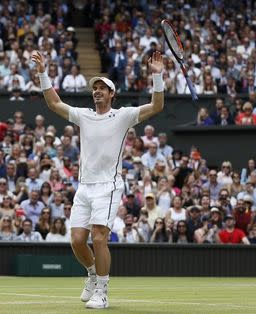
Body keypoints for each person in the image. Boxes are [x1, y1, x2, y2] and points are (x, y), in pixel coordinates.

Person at [32, 49, 165, 309]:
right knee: (77, 241)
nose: (97, 91)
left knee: (100, 237)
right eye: (95, 88)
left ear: (112, 94)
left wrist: (157, 77)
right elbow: (54, 104)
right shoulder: (84, 115)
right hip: (84, 186)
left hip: (109, 186)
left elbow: (157, 106)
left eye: (103, 88)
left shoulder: (124, 115)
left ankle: (102, 291)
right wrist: (42, 73)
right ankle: (92, 275)